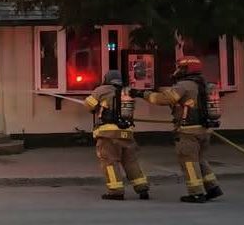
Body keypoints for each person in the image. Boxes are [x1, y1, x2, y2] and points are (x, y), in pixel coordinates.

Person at [134, 56, 223, 204]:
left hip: (188, 131)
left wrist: (142, 94)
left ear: (185, 69)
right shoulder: (204, 84)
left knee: (188, 161)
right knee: (199, 159)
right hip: (204, 130)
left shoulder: (184, 85)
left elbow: (164, 99)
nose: (176, 71)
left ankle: (196, 193)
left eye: (179, 68)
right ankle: (213, 188)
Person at [84, 70, 150, 201]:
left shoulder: (101, 89)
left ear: (106, 79)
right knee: (131, 161)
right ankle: (142, 188)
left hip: (108, 133)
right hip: (127, 132)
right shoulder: (127, 91)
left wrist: (97, 106)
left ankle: (116, 191)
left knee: (110, 161)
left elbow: (88, 105)